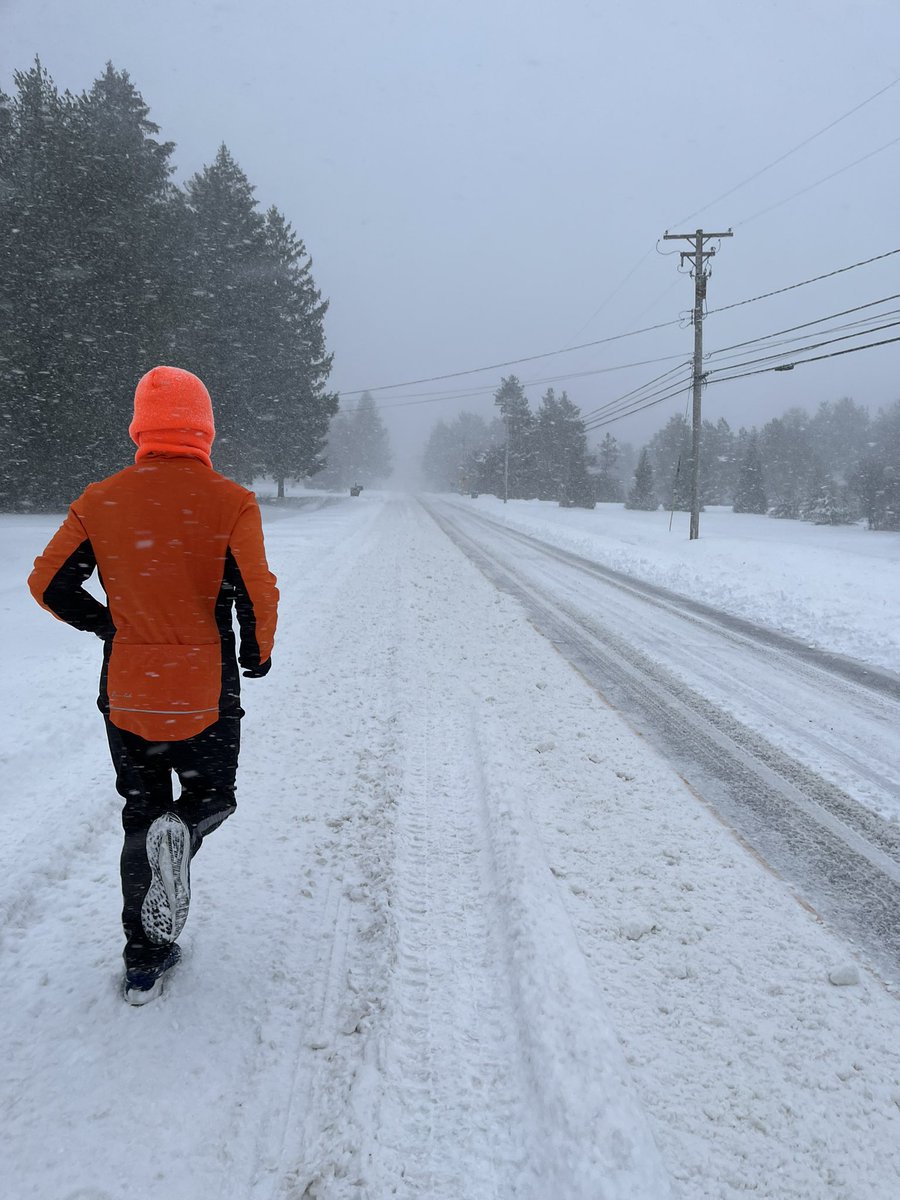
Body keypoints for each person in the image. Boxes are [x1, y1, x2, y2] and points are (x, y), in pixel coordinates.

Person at [28, 366, 278, 1004]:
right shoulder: (230, 501)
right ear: (205, 429)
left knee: (140, 817)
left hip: (128, 688)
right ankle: (186, 829)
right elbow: (255, 590)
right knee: (212, 796)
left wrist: (110, 626)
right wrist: (256, 650)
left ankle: (144, 961)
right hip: (204, 689)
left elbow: (48, 583)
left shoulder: (102, 498)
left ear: (140, 426)